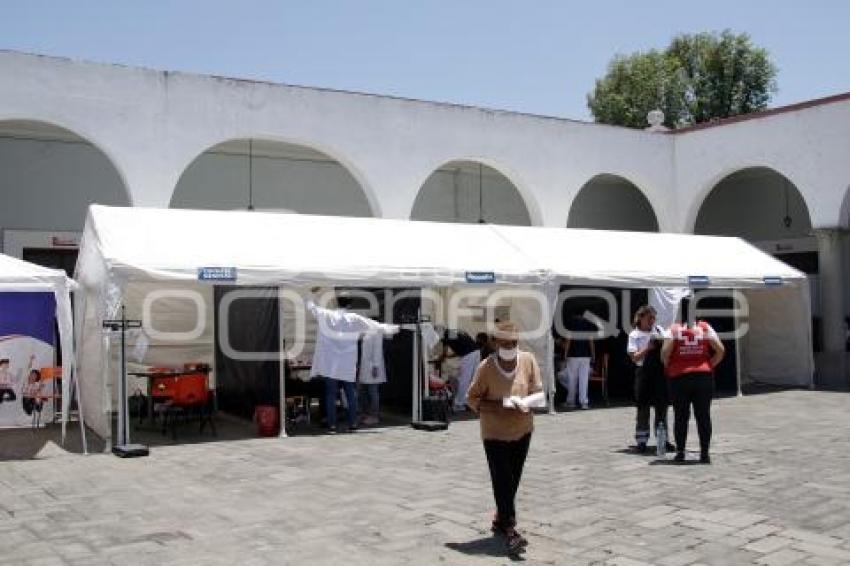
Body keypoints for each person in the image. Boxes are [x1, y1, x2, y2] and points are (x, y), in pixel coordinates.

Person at [466, 321, 544, 555]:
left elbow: (538, 392)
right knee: (502, 479)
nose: (510, 346)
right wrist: (499, 405)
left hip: (522, 429)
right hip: (494, 433)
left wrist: (528, 403)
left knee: (513, 479)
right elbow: (472, 398)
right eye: (505, 343)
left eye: (514, 343)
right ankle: (511, 530)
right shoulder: (485, 367)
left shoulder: (528, 360)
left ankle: (500, 518)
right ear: (495, 343)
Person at [306, 288, 398, 434]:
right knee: (350, 392)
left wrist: (312, 293)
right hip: (348, 362)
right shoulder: (354, 318)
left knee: (330, 393)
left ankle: (332, 426)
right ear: (349, 305)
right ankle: (353, 424)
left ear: (337, 303)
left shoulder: (327, 314)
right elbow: (374, 325)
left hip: (331, 364)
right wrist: (392, 328)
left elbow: (311, 306)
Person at [661, 303, 725, 464]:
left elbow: (664, 353)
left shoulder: (674, 329)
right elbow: (721, 350)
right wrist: (709, 365)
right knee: (703, 415)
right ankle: (704, 453)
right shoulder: (704, 327)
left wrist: (671, 367)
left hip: (679, 378)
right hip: (703, 377)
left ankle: (681, 452)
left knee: (681, 416)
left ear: (679, 313)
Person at [627, 305, 674, 453]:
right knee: (643, 408)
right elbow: (634, 358)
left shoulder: (659, 330)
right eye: (649, 318)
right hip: (644, 373)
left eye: (653, 318)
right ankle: (642, 441)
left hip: (660, 374)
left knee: (662, 408)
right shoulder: (634, 335)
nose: (652, 321)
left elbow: (669, 346)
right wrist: (648, 348)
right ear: (640, 318)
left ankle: (663, 440)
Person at [559, 312, 596, 409]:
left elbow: (568, 341)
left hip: (573, 355)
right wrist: (593, 355)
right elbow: (591, 342)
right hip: (586, 356)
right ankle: (584, 402)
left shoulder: (571, 325)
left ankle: (571, 402)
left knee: (572, 379)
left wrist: (565, 354)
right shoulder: (588, 326)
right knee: (584, 380)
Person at [439, 328, 481, 412]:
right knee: (472, 379)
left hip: (468, 354)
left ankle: (459, 404)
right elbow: (459, 351)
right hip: (476, 351)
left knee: (463, 380)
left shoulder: (446, 335)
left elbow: (444, 351)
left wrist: (440, 358)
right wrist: (447, 357)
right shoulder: (456, 332)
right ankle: (468, 402)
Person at [357, 330, 387, 426]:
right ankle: (365, 414)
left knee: (373, 392)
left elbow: (377, 350)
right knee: (363, 392)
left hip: (373, 368)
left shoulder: (377, 332)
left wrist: (375, 366)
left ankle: (375, 416)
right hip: (365, 367)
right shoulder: (365, 332)